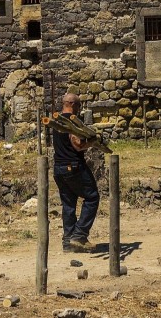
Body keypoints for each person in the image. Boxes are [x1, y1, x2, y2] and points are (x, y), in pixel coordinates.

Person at [52, 94, 100, 252]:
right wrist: (92, 142)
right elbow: (77, 144)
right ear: (72, 104)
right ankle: (79, 235)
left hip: (59, 168)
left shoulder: (57, 120)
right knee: (92, 197)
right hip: (73, 166)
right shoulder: (70, 121)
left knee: (69, 204)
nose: (80, 109)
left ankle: (68, 243)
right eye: (79, 105)